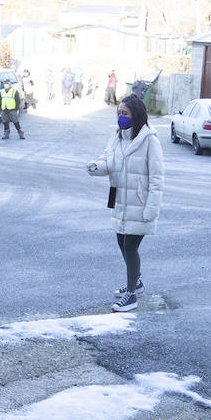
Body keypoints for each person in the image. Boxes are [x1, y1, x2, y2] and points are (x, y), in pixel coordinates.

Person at [86, 94, 164, 312]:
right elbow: (107, 160)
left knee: (130, 246)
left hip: (140, 204)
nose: (121, 117)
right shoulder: (118, 137)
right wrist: (96, 167)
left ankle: (131, 295)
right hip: (120, 201)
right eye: (119, 113)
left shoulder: (150, 141)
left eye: (125, 113)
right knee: (122, 243)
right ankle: (136, 282)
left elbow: (157, 179)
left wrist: (151, 208)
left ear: (136, 115)